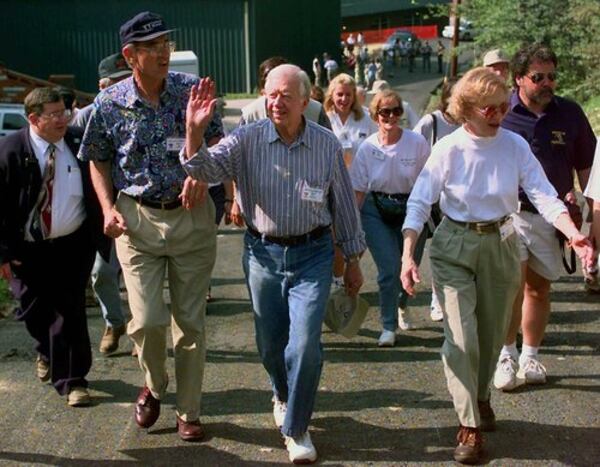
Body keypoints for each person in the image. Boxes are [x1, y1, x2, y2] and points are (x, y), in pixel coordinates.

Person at [400, 67, 593, 464]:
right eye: (488, 107)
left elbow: (543, 193)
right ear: (466, 108)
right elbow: (420, 201)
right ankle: (468, 425)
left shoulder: (515, 145)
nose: (498, 113)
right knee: (460, 338)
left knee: (491, 338)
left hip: (503, 242)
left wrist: (573, 232)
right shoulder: (449, 149)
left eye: (503, 105)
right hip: (454, 244)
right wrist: (407, 252)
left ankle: (482, 393)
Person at [181, 65, 366, 464]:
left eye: (285, 95)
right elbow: (202, 169)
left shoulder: (325, 144)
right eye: (270, 94)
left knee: (304, 345)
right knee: (269, 345)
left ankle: (297, 428)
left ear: (305, 101)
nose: (276, 102)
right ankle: (282, 394)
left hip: (314, 253)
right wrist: (194, 132)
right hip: (263, 254)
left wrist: (351, 259)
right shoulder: (245, 140)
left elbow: (344, 206)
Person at [79, 11, 223, 441]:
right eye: (153, 47)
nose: (164, 53)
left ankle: (189, 411)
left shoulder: (189, 92)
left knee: (191, 322)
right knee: (146, 320)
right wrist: (107, 208)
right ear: (130, 56)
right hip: (137, 219)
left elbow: (219, 144)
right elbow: (97, 158)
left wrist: (201, 170)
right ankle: (155, 385)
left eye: (166, 44)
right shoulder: (109, 104)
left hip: (191, 218)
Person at [493, 43, 597, 391]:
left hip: (553, 216)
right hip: (510, 215)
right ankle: (506, 354)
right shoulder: (500, 113)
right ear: (519, 79)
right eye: (538, 77)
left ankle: (530, 355)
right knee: (512, 286)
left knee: (538, 288)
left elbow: (589, 169)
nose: (547, 83)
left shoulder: (570, 113)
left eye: (552, 76)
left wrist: (591, 218)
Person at [0, 87, 109, 407]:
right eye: (54, 114)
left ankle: (73, 380)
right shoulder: (8, 151)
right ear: (33, 118)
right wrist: (3, 253)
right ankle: (46, 351)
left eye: (65, 112)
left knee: (70, 312)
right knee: (34, 312)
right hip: (26, 249)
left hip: (72, 245)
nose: (63, 119)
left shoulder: (80, 142)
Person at [350, 89, 430, 345]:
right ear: (375, 115)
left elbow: (429, 183)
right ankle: (388, 326)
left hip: (411, 209)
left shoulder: (416, 143)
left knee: (409, 268)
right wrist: (352, 226)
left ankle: (402, 304)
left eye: (396, 110)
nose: (391, 116)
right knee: (389, 269)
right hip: (376, 211)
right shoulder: (367, 147)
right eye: (385, 111)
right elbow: (359, 190)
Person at [72, 52, 132, 354]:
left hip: (136, 202)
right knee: (102, 272)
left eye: (127, 80)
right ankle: (114, 321)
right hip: (101, 206)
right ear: (101, 85)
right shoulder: (84, 117)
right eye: (117, 82)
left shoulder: (137, 108)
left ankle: (138, 328)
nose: (124, 87)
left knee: (140, 271)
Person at [234, 56, 331, 227]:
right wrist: (235, 199)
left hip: (308, 201)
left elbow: (330, 158)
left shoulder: (315, 110)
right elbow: (235, 161)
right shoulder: (250, 114)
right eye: (270, 81)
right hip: (265, 206)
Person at [323, 73, 377, 291]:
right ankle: (337, 279)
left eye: (347, 94)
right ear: (332, 95)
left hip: (360, 187)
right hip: (331, 187)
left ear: (354, 96)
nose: (343, 99)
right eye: (339, 94)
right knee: (335, 237)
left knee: (358, 236)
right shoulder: (324, 118)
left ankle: (348, 269)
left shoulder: (366, 118)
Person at [413, 77, 460, 322]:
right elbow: (412, 151)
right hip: (432, 201)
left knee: (450, 253)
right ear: (447, 98)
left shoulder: (472, 124)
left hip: (458, 202)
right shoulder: (430, 122)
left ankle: (439, 299)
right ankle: (430, 299)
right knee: (434, 252)